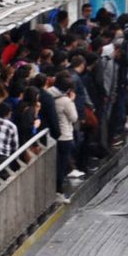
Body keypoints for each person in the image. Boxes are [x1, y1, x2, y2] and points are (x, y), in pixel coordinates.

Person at [48, 71, 78, 202]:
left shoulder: (48, 95)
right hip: (65, 136)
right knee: (61, 165)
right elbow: (74, 117)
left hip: (52, 135)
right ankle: (58, 193)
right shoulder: (66, 101)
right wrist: (71, 101)